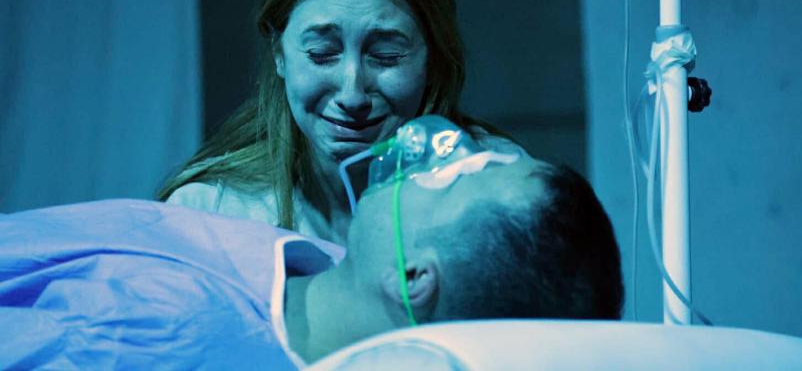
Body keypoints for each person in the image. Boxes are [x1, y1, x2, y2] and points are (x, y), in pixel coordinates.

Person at [0, 150, 622, 368]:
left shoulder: (165, 330)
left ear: (411, 279)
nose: (437, 154)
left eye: (456, 177)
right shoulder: (307, 261)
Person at [158, 0, 521, 244]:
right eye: (322, 53)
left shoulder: (503, 191)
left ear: (434, 57)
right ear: (279, 52)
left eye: (387, 55)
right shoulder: (208, 215)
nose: (352, 95)